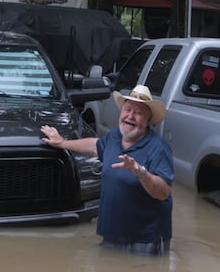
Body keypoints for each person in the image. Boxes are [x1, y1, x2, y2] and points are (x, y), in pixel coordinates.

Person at [40, 85, 174, 254]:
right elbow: (95, 146)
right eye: (127, 109)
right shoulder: (114, 136)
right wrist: (62, 143)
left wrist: (141, 173)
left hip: (145, 240)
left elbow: (163, 193)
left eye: (139, 113)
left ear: (148, 120)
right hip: (112, 235)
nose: (130, 116)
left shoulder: (158, 148)